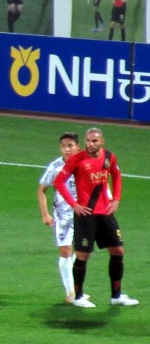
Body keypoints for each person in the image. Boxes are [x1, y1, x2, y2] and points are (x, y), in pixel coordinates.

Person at [54, 128, 138, 308]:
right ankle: (78, 297)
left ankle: (116, 296)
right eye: (88, 141)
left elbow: (116, 176)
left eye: (94, 141)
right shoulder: (77, 159)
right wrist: (74, 204)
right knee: (83, 254)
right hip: (86, 215)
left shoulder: (109, 157)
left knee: (118, 251)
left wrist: (116, 199)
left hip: (106, 213)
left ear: (102, 141)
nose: (91, 144)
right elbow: (59, 182)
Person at [36, 133, 80, 302]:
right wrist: (45, 214)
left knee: (82, 251)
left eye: (70, 145)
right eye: (63, 146)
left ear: (77, 146)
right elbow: (41, 190)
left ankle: (76, 288)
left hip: (83, 213)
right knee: (65, 250)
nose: (67, 149)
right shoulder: (55, 167)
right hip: (63, 216)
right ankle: (70, 293)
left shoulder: (86, 164)